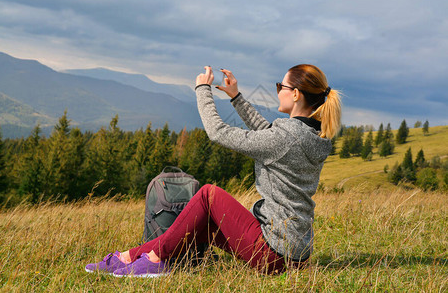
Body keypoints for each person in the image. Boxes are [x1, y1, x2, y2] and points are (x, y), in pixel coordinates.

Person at [85, 64, 342, 277]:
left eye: (280, 87)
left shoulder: (286, 139)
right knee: (203, 223)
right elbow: (268, 134)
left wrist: (202, 90)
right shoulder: (312, 136)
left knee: (209, 194)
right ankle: (131, 256)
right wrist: (236, 97)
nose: (278, 92)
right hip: (295, 254)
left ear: (295, 94)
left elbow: (218, 133)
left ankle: (153, 261)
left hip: (272, 255)